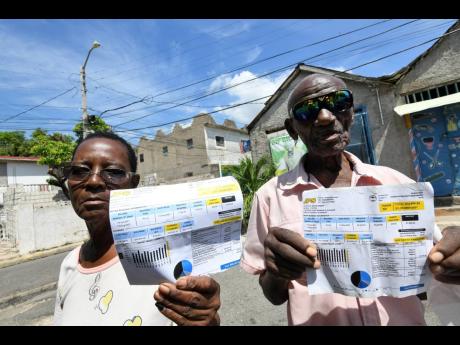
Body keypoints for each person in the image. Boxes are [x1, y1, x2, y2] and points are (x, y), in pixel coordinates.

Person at [240, 73, 460, 326]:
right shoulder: (270, 197)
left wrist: (448, 262)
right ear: (292, 129)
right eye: (307, 111)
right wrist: (278, 272)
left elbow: (425, 285)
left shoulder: (398, 184)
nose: (325, 117)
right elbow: (273, 296)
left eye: (339, 102)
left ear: (351, 112)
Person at [53, 132, 221, 326]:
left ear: (133, 184)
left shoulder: (172, 260)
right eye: (80, 170)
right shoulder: (69, 265)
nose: (94, 181)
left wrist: (207, 320)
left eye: (114, 172)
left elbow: (199, 315)